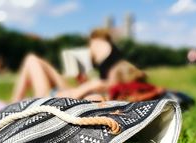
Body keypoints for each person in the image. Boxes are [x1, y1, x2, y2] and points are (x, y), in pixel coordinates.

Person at [11, 28, 147, 102]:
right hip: (65, 93)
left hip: (47, 98)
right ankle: (12, 104)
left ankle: (11, 106)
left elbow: (86, 97)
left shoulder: (105, 88)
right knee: (37, 61)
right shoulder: (109, 78)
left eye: (90, 43)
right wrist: (87, 84)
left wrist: (89, 86)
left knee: (32, 60)